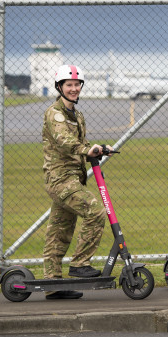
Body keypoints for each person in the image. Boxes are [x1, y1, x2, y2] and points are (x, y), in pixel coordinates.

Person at [42, 64, 113, 300]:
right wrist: (87, 149)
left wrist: (101, 148)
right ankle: (80, 263)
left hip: (73, 178)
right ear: (59, 87)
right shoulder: (55, 113)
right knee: (95, 210)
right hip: (61, 179)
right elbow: (65, 141)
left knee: (59, 232)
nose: (74, 89)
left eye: (76, 85)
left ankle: (52, 284)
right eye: (69, 85)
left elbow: (81, 143)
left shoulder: (77, 115)